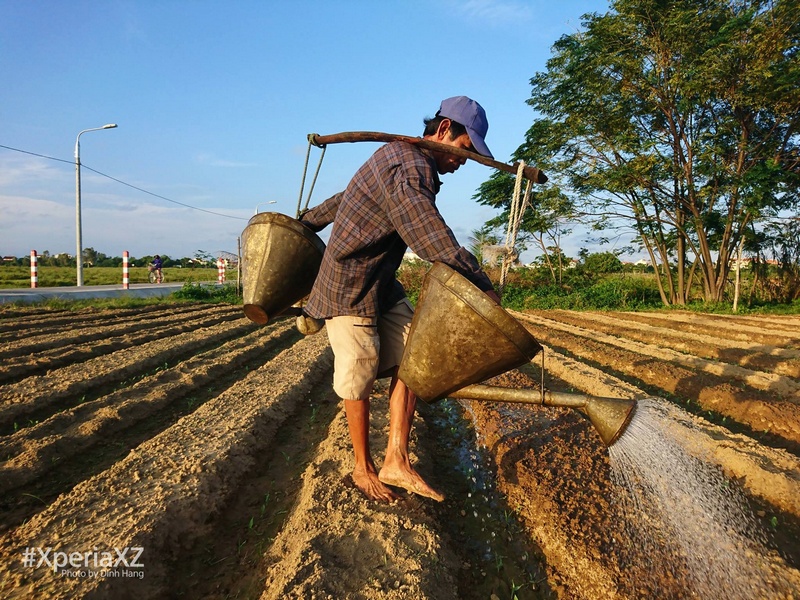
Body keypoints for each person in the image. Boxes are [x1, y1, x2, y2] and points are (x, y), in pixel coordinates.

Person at [300, 96, 501, 503]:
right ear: (443, 131)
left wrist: (308, 220)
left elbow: (346, 197)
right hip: (349, 284)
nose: (464, 161)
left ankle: (396, 459)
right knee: (358, 371)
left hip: (382, 281)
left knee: (415, 350)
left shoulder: (398, 157)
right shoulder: (409, 166)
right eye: (465, 150)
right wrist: (481, 283)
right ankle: (362, 468)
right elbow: (427, 235)